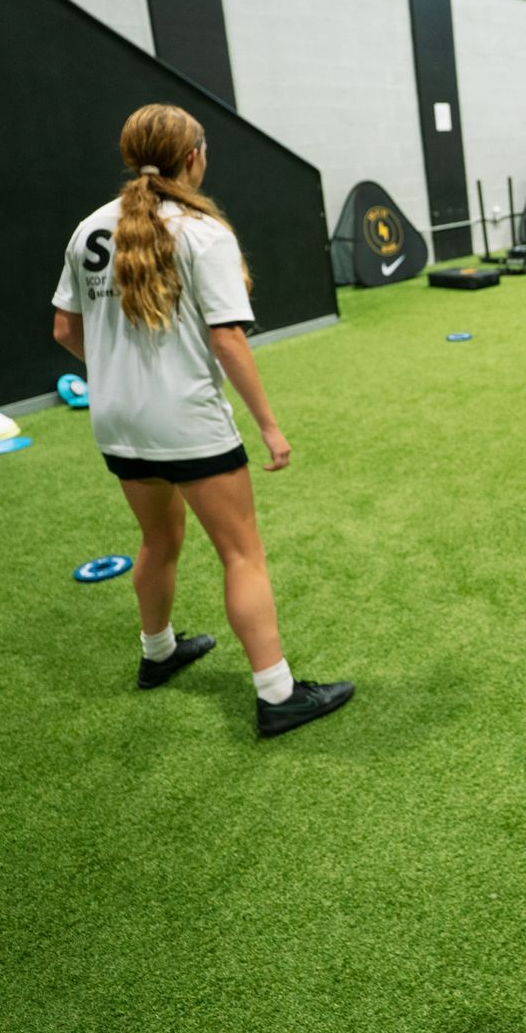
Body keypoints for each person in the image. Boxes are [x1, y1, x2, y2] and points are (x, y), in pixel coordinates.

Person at [51, 103, 352, 738]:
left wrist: (116, 372)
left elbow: (64, 330)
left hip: (117, 422)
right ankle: (277, 693)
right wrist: (270, 426)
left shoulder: (88, 230)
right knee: (242, 553)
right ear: (194, 157)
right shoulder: (202, 233)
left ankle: (157, 653)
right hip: (186, 421)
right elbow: (229, 341)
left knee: (159, 540)